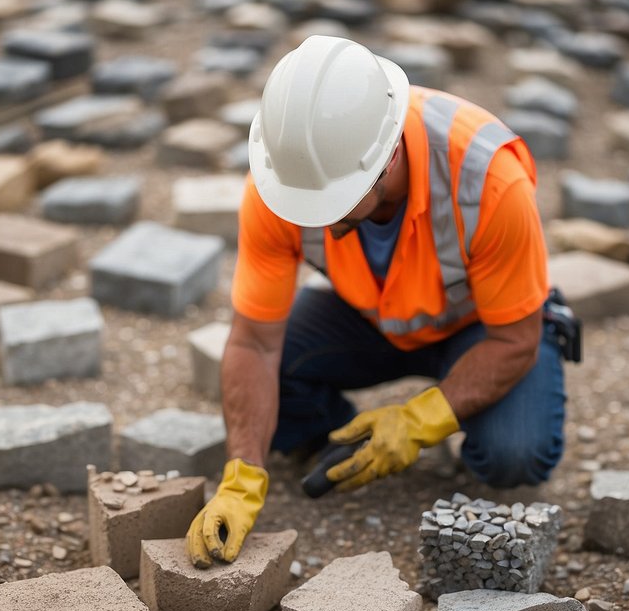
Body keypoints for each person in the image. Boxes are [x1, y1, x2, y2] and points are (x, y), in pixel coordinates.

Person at [186, 35, 567, 569]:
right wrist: (242, 476)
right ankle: (340, 434)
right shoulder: (286, 180)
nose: (312, 220)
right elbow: (253, 343)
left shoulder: (487, 178)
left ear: (386, 157)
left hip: (481, 327)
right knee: (276, 380)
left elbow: (515, 339)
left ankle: (454, 417)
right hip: (370, 313)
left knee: (515, 454)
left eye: (333, 207)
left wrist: (418, 423)